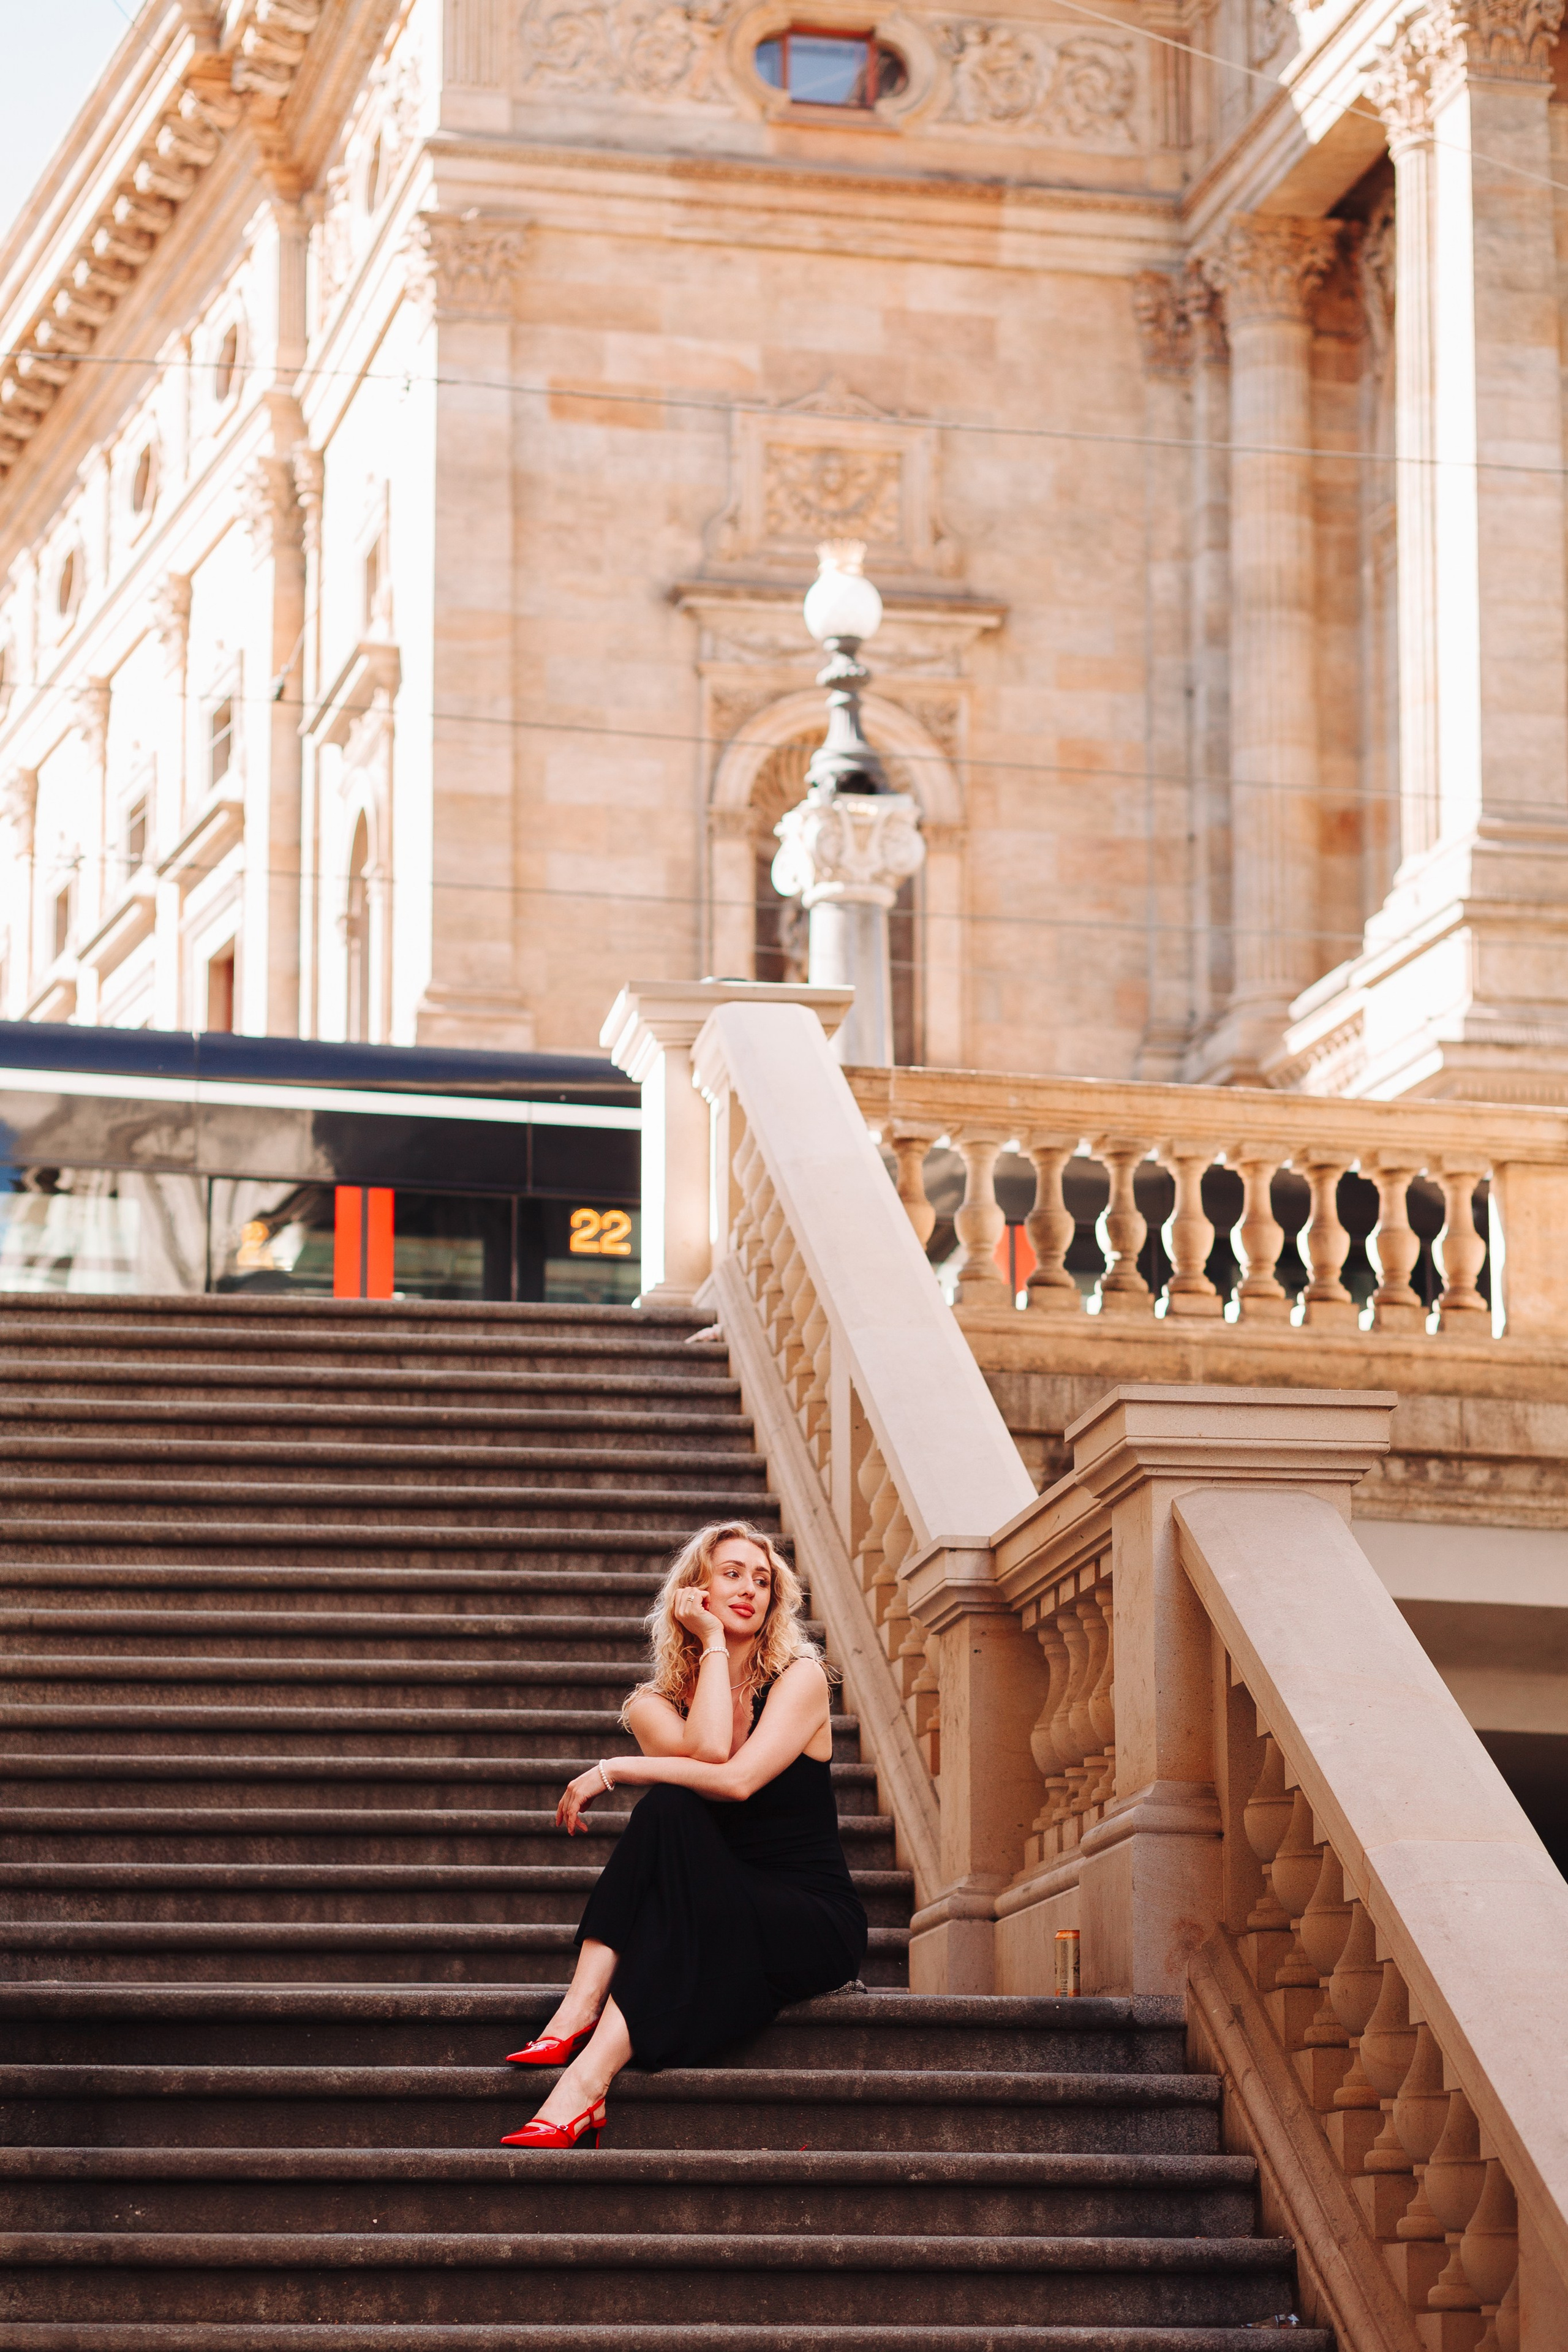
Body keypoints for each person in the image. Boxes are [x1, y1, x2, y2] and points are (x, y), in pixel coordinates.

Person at [499, 1518, 868, 2147]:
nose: (750, 1589)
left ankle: (583, 2050)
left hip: (806, 1915)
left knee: (663, 1813)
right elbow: (705, 1748)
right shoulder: (653, 1703)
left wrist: (611, 1769)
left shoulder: (800, 1677)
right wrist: (713, 1645)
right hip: (715, 1903)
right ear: (693, 1591)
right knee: (670, 1811)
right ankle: (582, 2046)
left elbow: (737, 1779)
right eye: (731, 1575)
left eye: (762, 1580)